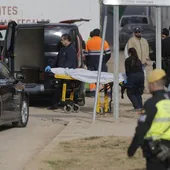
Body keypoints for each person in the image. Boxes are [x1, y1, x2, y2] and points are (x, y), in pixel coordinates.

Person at [127, 69, 170, 170]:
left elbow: (142, 128)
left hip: (156, 150)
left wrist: (132, 149)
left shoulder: (151, 103)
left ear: (153, 84)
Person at [45, 34, 77, 109]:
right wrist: (51, 65)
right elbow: (57, 59)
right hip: (61, 72)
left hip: (67, 73)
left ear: (66, 40)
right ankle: (55, 104)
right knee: (57, 87)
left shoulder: (71, 49)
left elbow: (70, 62)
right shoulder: (63, 49)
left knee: (60, 87)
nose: (61, 41)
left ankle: (58, 104)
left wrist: (62, 69)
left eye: (62, 40)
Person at [85, 28, 111, 96]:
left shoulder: (88, 42)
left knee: (92, 76)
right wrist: (105, 60)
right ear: (99, 34)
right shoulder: (103, 41)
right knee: (104, 76)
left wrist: (87, 62)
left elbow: (86, 54)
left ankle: (93, 92)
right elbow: (108, 53)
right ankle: (107, 91)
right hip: (101, 61)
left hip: (91, 61)